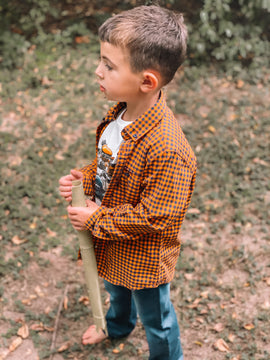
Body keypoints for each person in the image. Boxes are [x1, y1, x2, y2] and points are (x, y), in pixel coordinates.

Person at [59, 5, 197, 360]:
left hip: (144, 259)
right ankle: (118, 326)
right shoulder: (119, 114)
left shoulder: (169, 150)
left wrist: (95, 219)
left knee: (158, 319)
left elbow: (155, 217)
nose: (97, 70)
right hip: (112, 243)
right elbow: (108, 165)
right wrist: (85, 179)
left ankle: (168, 356)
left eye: (108, 64)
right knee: (116, 292)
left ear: (146, 81)